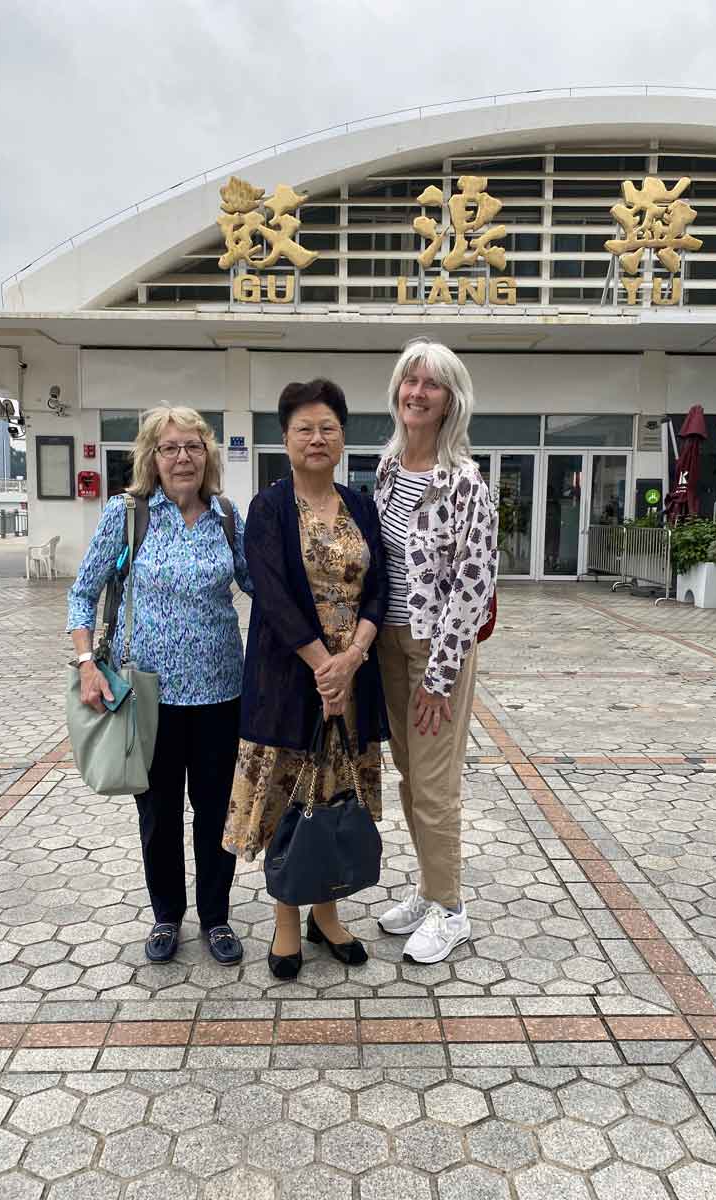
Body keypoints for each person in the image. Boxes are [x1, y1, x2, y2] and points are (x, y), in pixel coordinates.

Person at [68, 406, 252, 966]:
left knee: (217, 812)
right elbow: (82, 592)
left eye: (193, 447)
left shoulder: (225, 514)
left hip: (223, 693)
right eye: (170, 448)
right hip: (149, 699)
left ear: (208, 455)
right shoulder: (128, 516)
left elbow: (256, 583)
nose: (182, 458)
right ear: (152, 457)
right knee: (159, 814)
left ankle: (216, 918)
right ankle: (167, 916)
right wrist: (86, 664)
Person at [224, 378, 389, 979]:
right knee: (290, 800)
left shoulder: (361, 504)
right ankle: (287, 924)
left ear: (343, 437)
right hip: (291, 679)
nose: (317, 438)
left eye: (328, 428)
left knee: (337, 796)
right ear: (285, 438)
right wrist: (325, 665)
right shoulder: (268, 507)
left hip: (354, 678)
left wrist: (354, 659)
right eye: (304, 429)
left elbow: (381, 587)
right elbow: (272, 595)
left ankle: (329, 914)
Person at [375, 339, 498, 964]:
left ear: (452, 400)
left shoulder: (465, 481)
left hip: (436, 652)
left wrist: (440, 676)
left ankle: (451, 910)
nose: (417, 393)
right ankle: (429, 890)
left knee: (435, 783)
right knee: (408, 774)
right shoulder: (388, 469)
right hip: (389, 647)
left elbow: (474, 585)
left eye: (432, 384)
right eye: (409, 381)